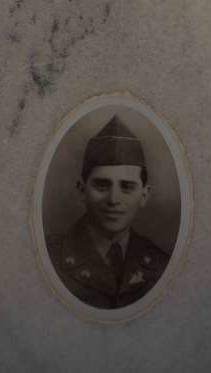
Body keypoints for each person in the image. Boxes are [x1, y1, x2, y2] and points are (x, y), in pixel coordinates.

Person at [46, 115, 169, 309]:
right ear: (82, 190)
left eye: (127, 187)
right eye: (102, 186)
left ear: (144, 195)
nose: (113, 200)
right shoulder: (49, 257)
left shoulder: (162, 265)